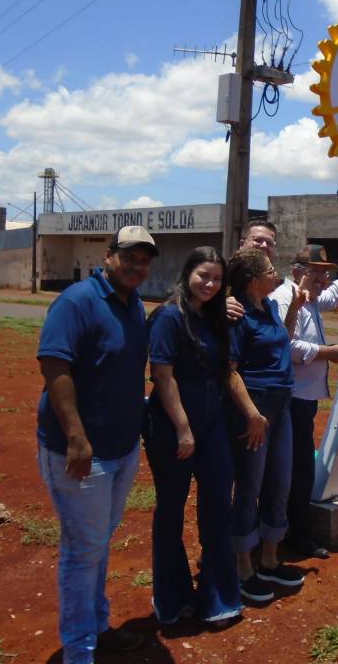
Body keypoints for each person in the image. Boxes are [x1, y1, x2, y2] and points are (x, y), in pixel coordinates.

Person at [35, 225, 157, 663]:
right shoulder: (77, 301)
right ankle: (79, 650)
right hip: (82, 452)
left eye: (144, 261)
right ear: (108, 256)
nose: (136, 267)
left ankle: (98, 627)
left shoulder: (133, 304)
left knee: (98, 542)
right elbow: (55, 364)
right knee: (83, 550)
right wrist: (76, 437)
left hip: (121, 447)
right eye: (129, 257)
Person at [144, 247, 267, 627]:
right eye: (203, 276)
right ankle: (173, 599)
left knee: (217, 509)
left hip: (212, 428)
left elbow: (227, 372)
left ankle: (219, 599)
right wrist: (183, 428)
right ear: (187, 274)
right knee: (171, 511)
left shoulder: (214, 320)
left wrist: (252, 413)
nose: (210, 284)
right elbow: (163, 376)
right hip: (172, 429)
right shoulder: (169, 316)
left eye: (217, 279)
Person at [271, 241, 338, 558]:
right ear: (297, 271)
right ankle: (294, 535)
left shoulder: (310, 298)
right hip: (291, 398)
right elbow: (285, 345)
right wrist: (324, 353)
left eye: (325, 273)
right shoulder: (283, 299)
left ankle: (289, 530)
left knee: (299, 465)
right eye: (316, 273)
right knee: (297, 468)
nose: (323, 280)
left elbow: (333, 295)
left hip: (304, 397)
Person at [226, 248, 307, 603]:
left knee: (280, 481)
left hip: (281, 404)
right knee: (250, 485)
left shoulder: (271, 306)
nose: (276, 276)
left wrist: (293, 310)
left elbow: (281, 341)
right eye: (271, 271)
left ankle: (270, 559)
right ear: (252, 280)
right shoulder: (237, 314)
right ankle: (243, 566)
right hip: (255, 410)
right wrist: (252, 416)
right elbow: (229, 371)